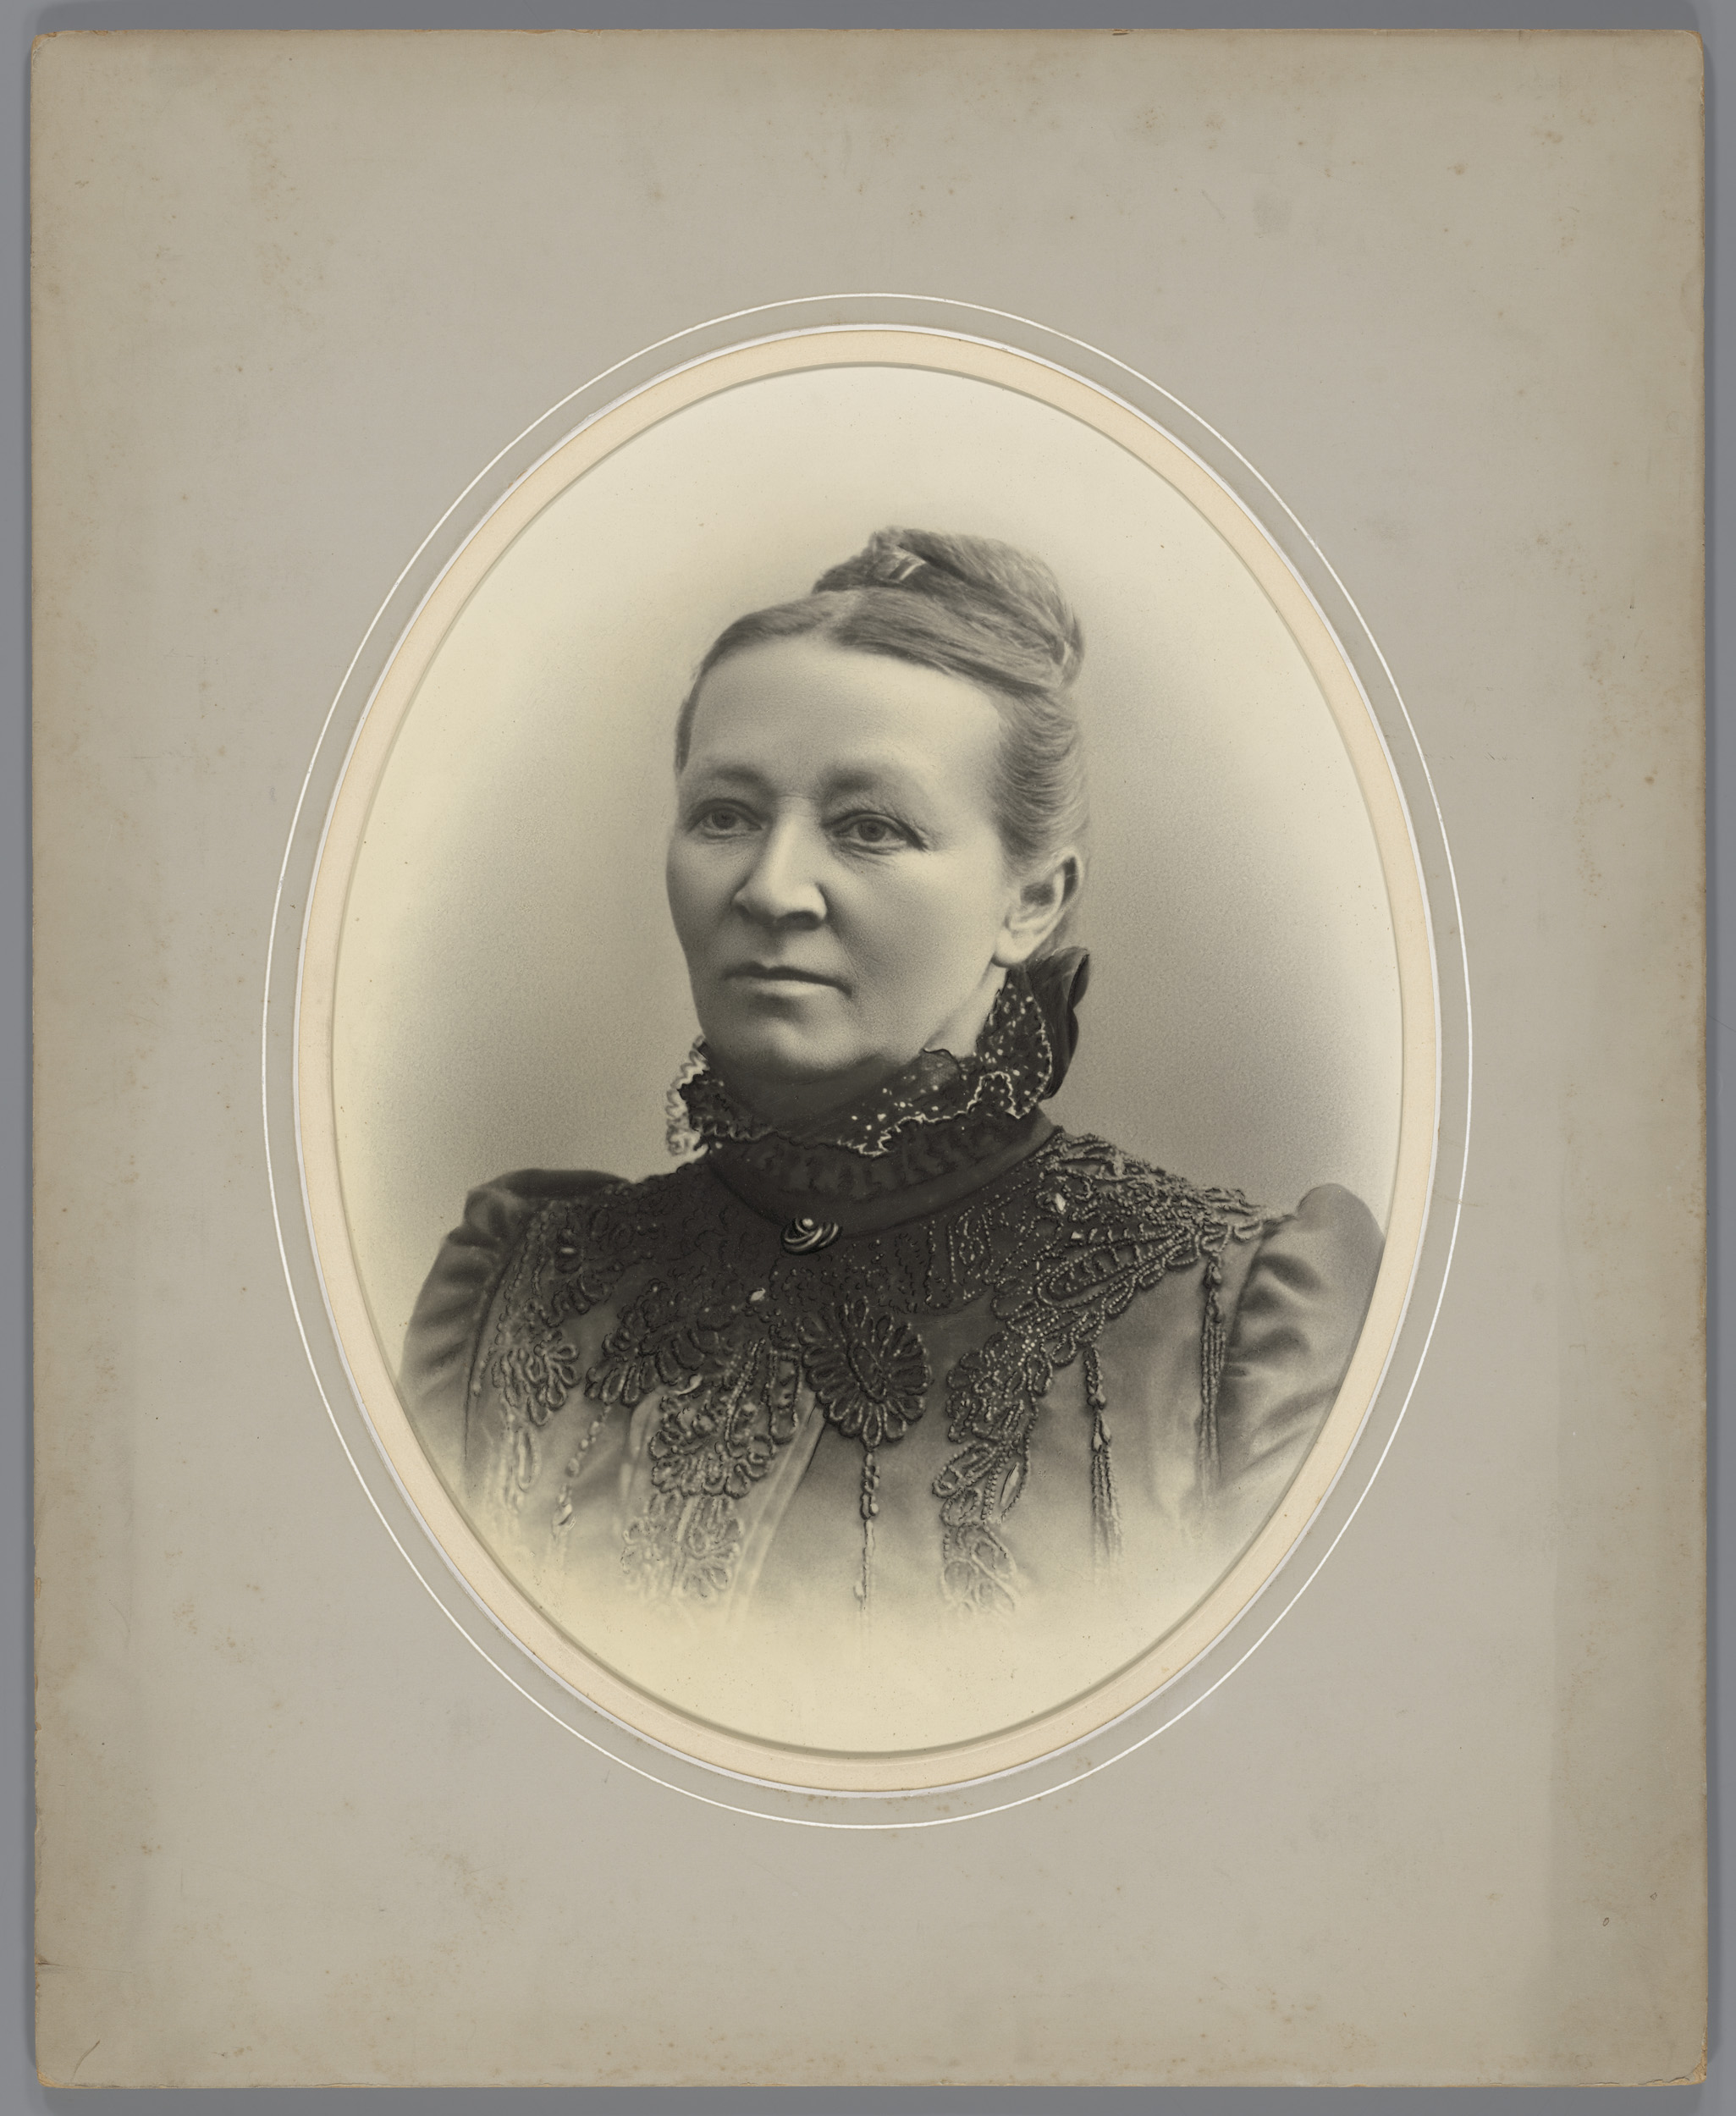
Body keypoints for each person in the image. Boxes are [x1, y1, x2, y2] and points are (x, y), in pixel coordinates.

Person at [400, 527, 1382, 1751]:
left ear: (1031, 900)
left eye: (869, 827)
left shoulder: (1235, 1328)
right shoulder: (520, 1286)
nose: (771, 888)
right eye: (724, 814)